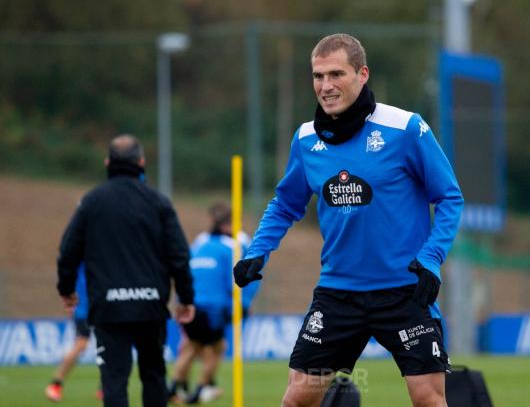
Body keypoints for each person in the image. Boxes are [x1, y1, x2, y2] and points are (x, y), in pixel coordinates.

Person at [233, 34, 463, 407]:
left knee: (428, 399)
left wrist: (431, 258)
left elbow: (449, 196)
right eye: (318, 76)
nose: (325, 86)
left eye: (336, 74)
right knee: (297, 400)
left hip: (404, 290)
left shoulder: (406, 128)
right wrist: (257, 251)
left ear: (362, 74)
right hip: (339, 293)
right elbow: (285, 203)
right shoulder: (306, 139)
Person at [56, 134, 195, 407]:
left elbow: (68, 251)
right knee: (154, 376)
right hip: (150, 306)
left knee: (114, 380)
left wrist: (67, 290)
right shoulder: (158, 202)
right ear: (141, 162)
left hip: (108, 308)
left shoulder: (91, 202)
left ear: (108, 162)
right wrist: (186, 297)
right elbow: (179, 255)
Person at [168, 201, 259, 404]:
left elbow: (186, 272)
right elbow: (236, 279)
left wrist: (179, 300)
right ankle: (201, 389)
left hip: (190, 303)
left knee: (191, 346)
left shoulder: (200, 244)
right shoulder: (233, 246)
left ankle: (174, 387)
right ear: (228, 224)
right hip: (213, 307)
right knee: (217, 348)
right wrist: (242, 304)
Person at [45, 263, 103, 402]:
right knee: (81, 344)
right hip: (83, 308)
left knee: (110, 346)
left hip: (101, 306)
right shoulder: (81, 251)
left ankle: (104, 387)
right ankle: (56, 383)